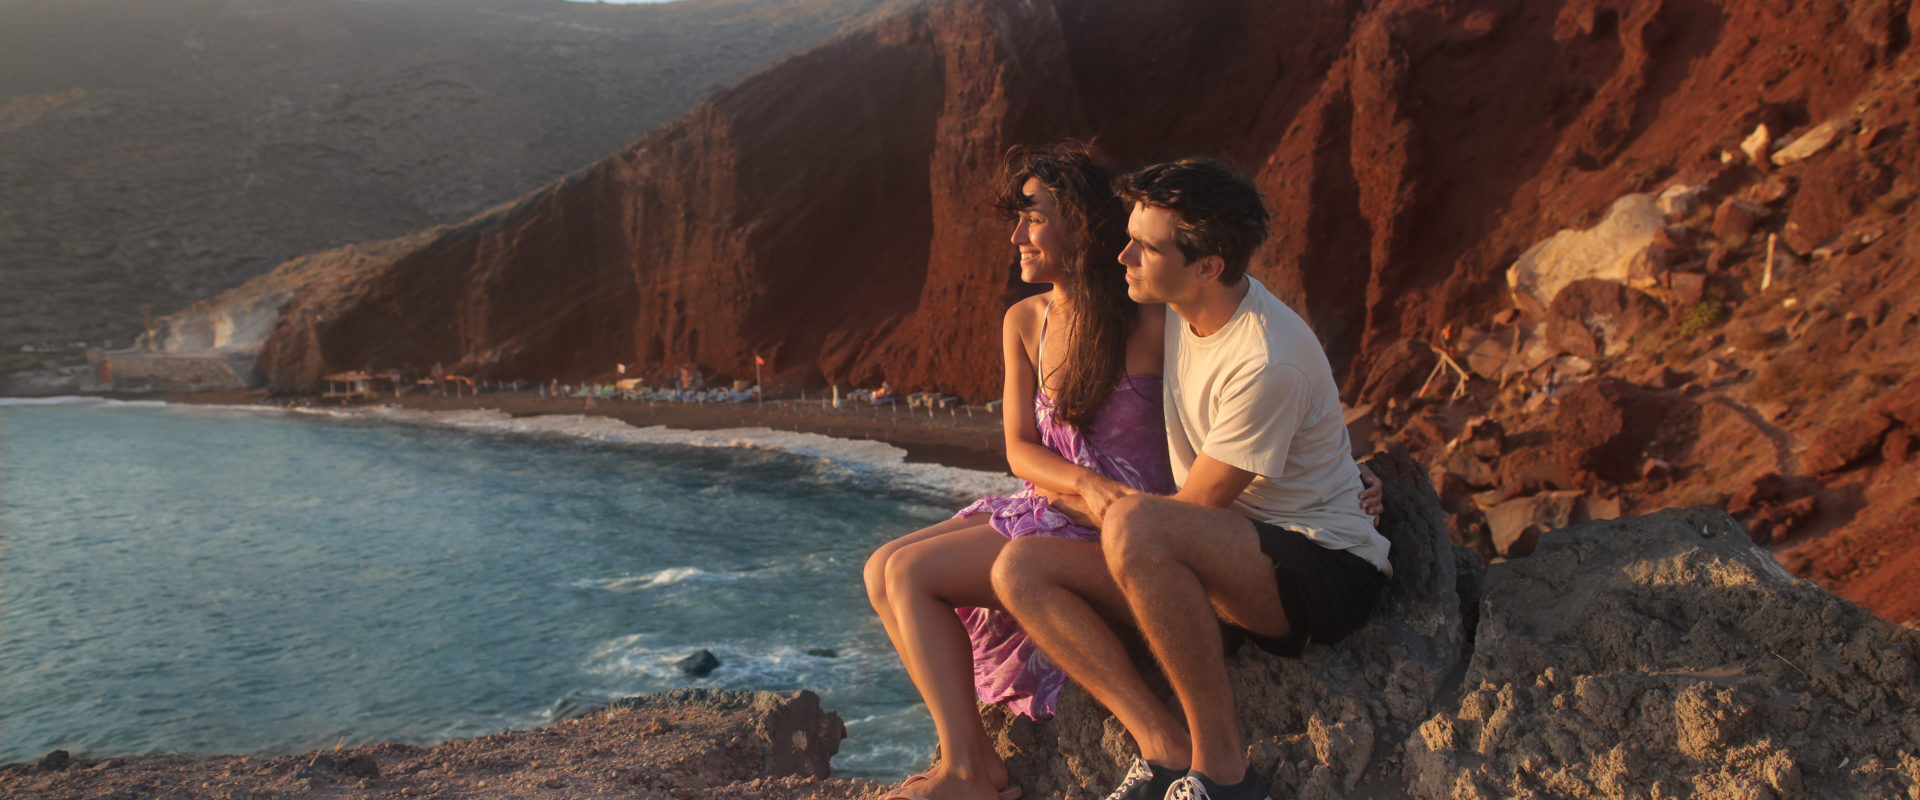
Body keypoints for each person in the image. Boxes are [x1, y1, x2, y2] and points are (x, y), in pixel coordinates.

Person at [992, 158, 1393, 800]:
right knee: (1019, 568)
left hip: (1317, 568)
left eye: (1143, 248)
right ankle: (1163, 753)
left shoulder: (1267, 359)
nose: (1121, 255)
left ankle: (1225, 774)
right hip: (1227, 552)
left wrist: (1080, 496)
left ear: (1207, 265)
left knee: (1137, 524)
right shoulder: (1177, 307)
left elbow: (1191, 514)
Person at [863, 142, 1174, 800]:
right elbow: (1019, 448)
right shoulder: (1026, 319)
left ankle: (969, 772)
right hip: (1058, 503)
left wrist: (1348, 472)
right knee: (879, 569)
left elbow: (1234, 405)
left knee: (913, 574)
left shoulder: (1148, 319)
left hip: (1117, 527)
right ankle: (972, 758)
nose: (1016, 236)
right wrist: (1082, 481)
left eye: (1032, 217)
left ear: (1082, 224)